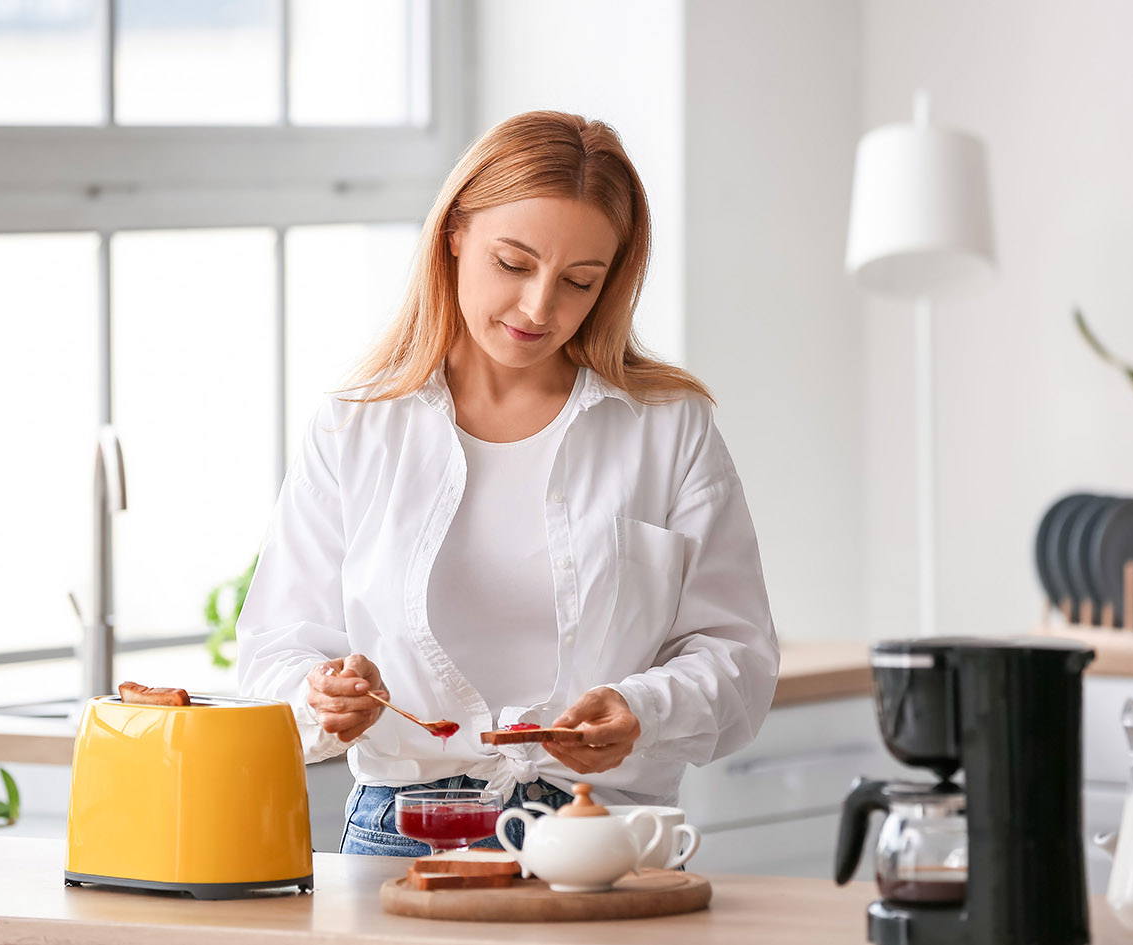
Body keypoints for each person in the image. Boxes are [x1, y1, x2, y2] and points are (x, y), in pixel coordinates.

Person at [237, 110, 778, 857]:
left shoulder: (666, 425)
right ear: (454, 233)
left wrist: (640, 708)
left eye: (578, 281)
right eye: (514, 264)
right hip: (404, 835)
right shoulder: (355, 426)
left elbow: (737, 656)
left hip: (602, 836)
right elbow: (272, 648)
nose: (538, 307)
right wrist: (317, 697)